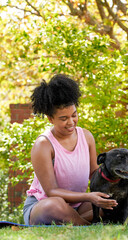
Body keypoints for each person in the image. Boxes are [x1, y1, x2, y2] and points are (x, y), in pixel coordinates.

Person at [23, 74, 118, 226]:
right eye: (63, 118)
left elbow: (94, 174)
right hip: (44, 205)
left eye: (74, 115)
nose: (71, 122)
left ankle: (77, 221)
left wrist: (116, 177)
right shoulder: (43, 145)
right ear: (50, 119)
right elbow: (52, 191)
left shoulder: (86, 137)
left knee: (111, 204)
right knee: (55, 205)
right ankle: (87, 225)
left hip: (77, 206)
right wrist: (88, 197)